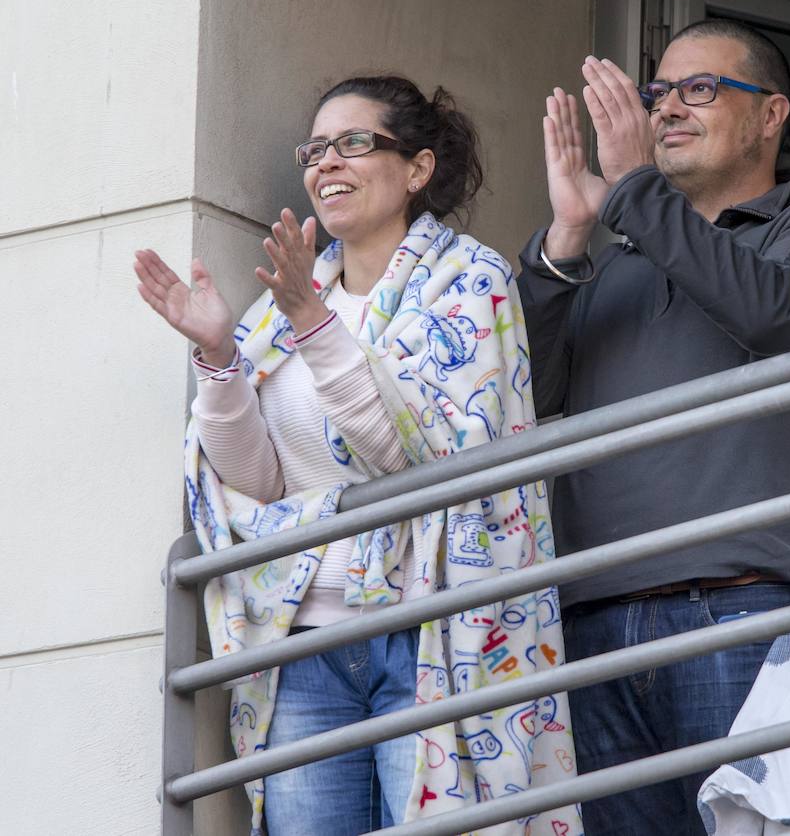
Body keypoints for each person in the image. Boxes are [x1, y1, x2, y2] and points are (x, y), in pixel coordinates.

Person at [134, 76, 580, 836]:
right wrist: (217, 356)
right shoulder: (283, 307)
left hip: (431, 631)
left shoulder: (470, 281)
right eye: (315, 148)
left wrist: (315, 323)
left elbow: (415, 459)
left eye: (354, 142)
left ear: (417, 168)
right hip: (306, 642)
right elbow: (258, 482)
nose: (325, 163)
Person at [516, 20, 790, 834]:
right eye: (658, 93)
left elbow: (775, 318)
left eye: (700, 89)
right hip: (593, 618)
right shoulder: (617, 258)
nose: (668, 109)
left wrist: (633, 192)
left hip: (742, 605)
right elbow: (525, 391)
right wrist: (569, 241)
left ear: (770, 114)